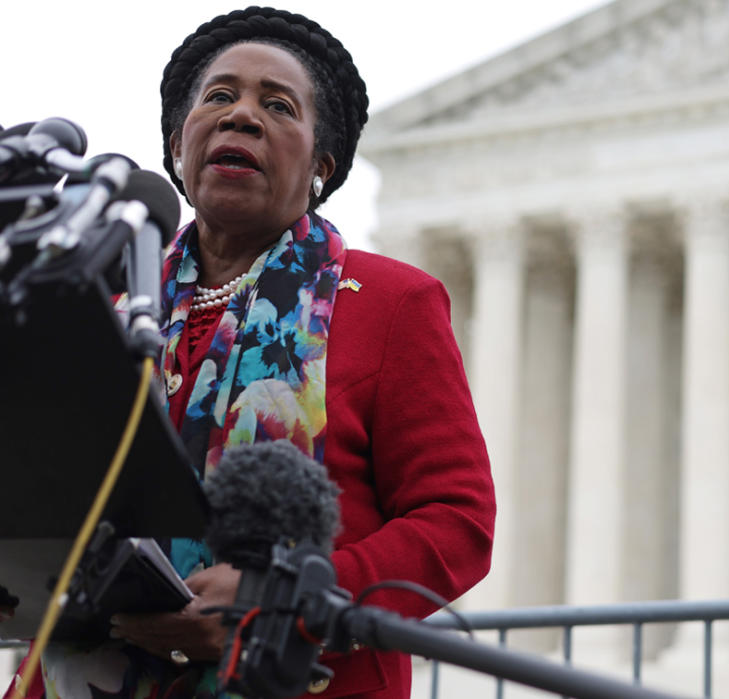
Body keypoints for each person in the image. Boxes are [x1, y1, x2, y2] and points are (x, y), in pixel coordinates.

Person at [18, 7, 496, 699]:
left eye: (277, 106)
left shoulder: (392, 302)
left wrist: (280, 599)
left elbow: (457, 521)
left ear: (321, 166)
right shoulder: (103, 305)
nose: (241, 115)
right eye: (219, 97)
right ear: (178, 144)